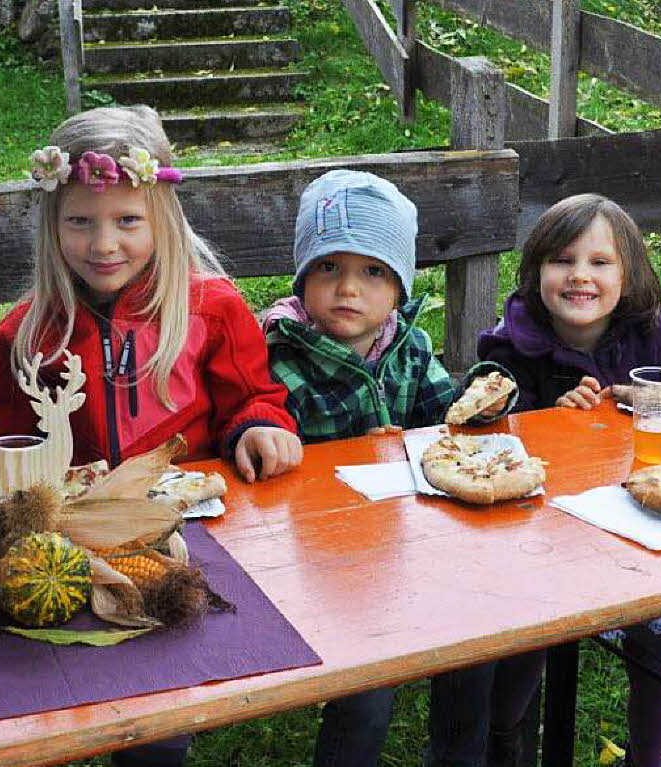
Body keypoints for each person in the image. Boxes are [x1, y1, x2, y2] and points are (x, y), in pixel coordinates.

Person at [0, 105, 303, 766]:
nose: (104, 244)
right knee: (44, 674)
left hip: (196, 539)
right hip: (75, 543)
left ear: (163, 218)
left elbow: (254, 395)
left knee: (160, 704)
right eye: (80, 222)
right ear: (52, 224)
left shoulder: (212, 308)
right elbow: (1, 443)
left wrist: (260, 425)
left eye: (128, 220)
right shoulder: (25, 334)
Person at [262, 169, 514, 767]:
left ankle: (459, 756)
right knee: (368, 687)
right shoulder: (276, 356)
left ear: (398, 289)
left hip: (411, 544)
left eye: (373, 272)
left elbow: (441, 426)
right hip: (324, 561)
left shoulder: (410, 348)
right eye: (329, 268)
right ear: (302, 281)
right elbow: (277, 469)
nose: (349, 288)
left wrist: (482, 400)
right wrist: (355, 451)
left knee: (473, 645)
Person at [478, 193, 661, 767]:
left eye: (600, 262)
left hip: (639, 527)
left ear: (628, 274)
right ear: (536, 269)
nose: (580, 276)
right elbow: (490, 430)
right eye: (562, 260)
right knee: (526, 638)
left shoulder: (654, 339)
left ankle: (648, 759)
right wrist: (550, 414)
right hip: (540, 537)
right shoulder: (510, 345)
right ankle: (503, 738)